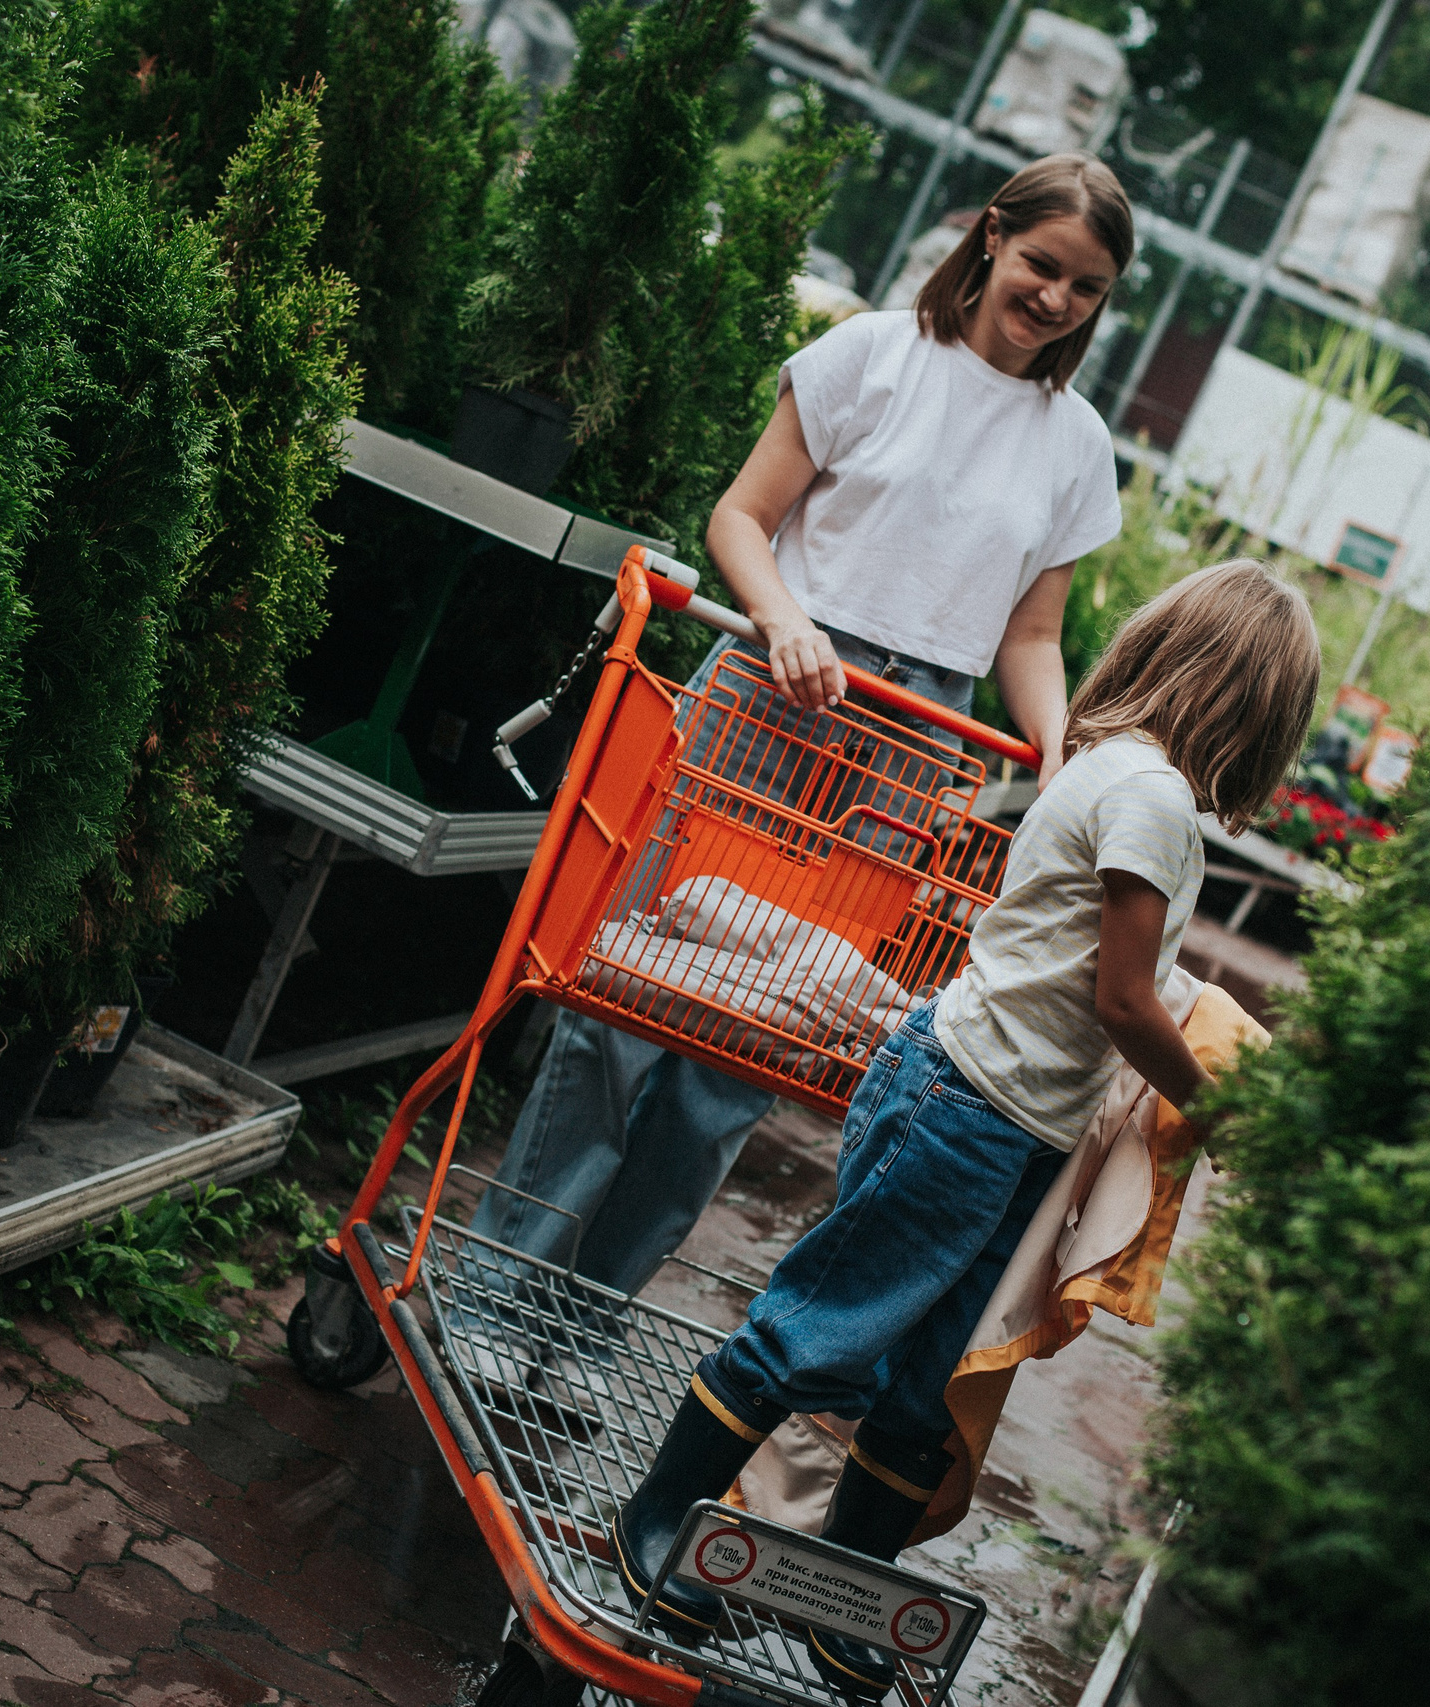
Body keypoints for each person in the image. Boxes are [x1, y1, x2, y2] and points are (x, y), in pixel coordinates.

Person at [468, 154, 1139, 1378]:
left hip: (905, 746)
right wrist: (783, 618)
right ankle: (495, 1298)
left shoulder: (1075, 446)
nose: (1054, 299)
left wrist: (1058, 746)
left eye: (1085, 288)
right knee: (624, 1001)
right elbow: (740, 515)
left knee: (754, 1049)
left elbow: (1031, 635)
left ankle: (581, 1329)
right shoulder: (872, 355)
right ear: (992, 236)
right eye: (1043, 265)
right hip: (772, 693)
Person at [612, 561, 1323, 1703]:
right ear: (1253, 711)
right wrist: (1222, 1109)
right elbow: (1125, 1000)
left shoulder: (1123, 777)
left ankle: (842, 1598)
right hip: (966, 1106)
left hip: (1011, 1118)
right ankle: (657, 1517)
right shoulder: (1148, 800)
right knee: (824, 1327)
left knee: (930, 1383)